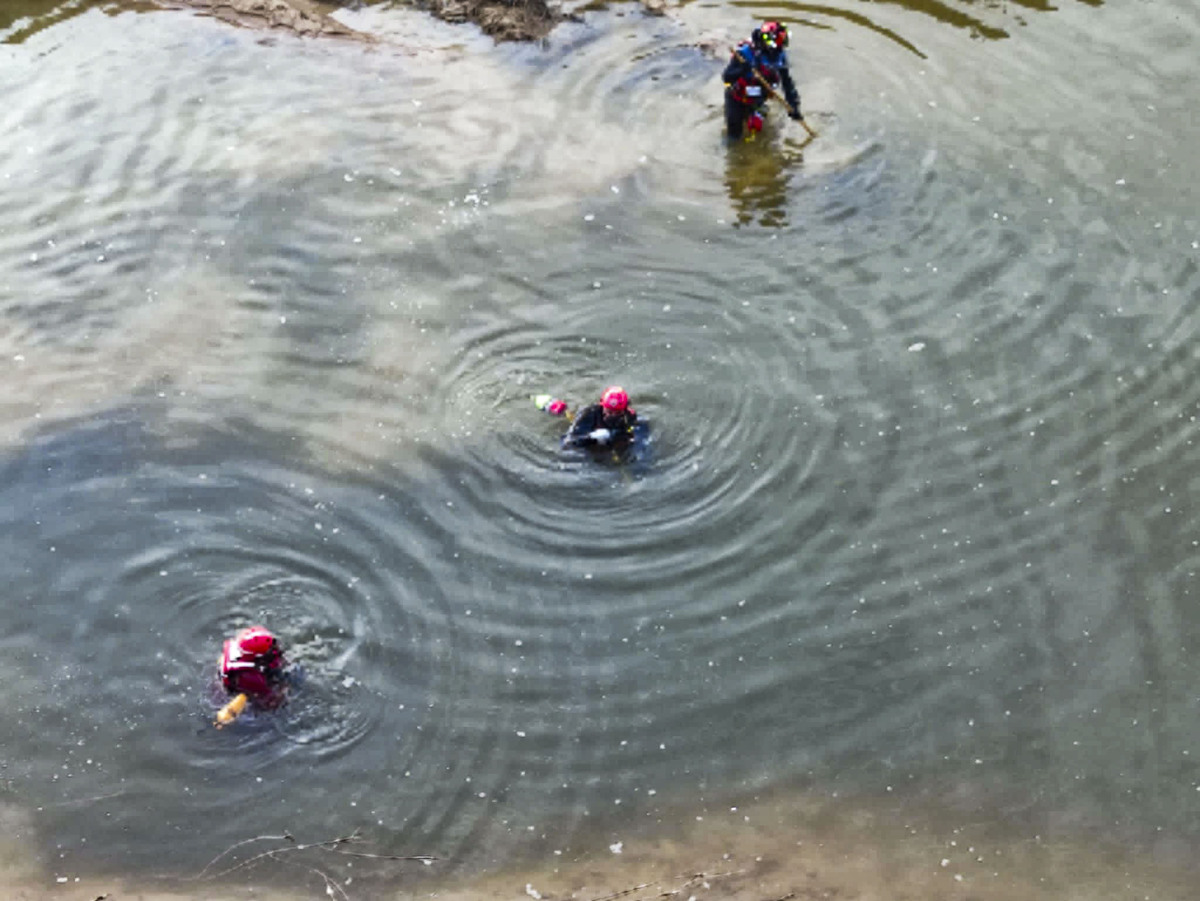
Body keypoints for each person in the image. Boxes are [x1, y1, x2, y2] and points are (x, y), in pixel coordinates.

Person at [723, 21, 804, 140]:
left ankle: (757, 112)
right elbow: (726, 77)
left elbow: (787, 84)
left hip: (758, 97)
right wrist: (742, 70)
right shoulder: (744, 53)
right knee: (734, 136)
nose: (780, 50)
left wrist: (794, 106)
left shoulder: (780, 56)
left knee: (759, 131)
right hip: (737, 98)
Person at [536, 386, 640, 451]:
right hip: (589, 433)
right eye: (609, 411)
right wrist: (591, 437)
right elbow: (567, 443)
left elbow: (637, 435)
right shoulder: (589, 414)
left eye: (617, 412)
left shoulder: (630, 416)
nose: (612, 415)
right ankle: (561, 409)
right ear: (602, 405)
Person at [218, 625, 288, 710]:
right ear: (259, 657)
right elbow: (271, 702)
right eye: (270, 649)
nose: (275, 648)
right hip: (243, 689)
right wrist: (283, 689)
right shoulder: (252, 678)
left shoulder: (238, 647)